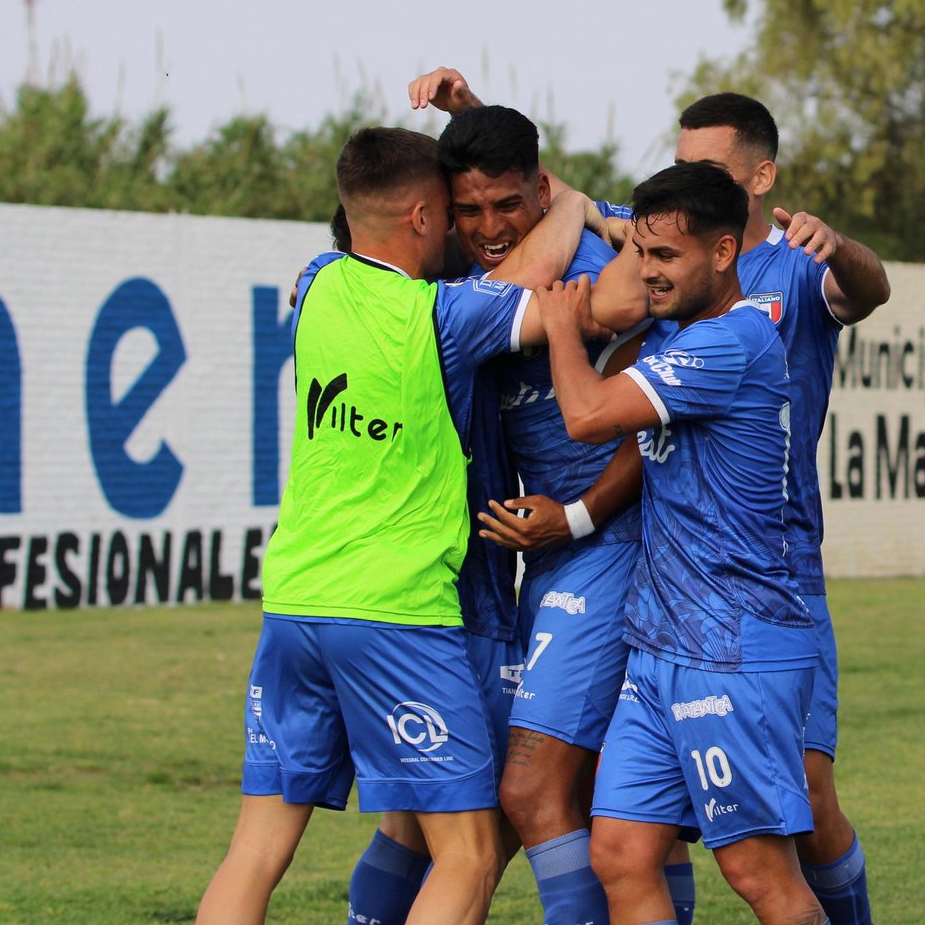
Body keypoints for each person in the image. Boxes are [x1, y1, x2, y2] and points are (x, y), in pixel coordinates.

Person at [196, 126, 610, 925]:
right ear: (425, 217)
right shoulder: (440, 319)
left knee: (255, 849)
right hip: (397, 614)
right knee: (471, 854)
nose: (471, 228)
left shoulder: (316, 283)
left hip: (291, 602)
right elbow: (539, 276)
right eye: (455, 213)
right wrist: (579, 204)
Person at [345, 99, 655, 925]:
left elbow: (654, 413)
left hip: (609, 548)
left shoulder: (599, 266)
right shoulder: (450, 288)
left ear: (541, 194)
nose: (486, 224)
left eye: (507, 206)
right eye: (468, 208)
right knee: (466, 812)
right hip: (509, 569)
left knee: (525, 791)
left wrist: (581, 516)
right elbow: (499, 190)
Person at [536, 160, 829, 925]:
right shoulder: (685, 335)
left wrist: (562, 325)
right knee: (622, 855)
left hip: (732, 652)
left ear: (725, 252)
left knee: (761, 876)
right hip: (660, 649)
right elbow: (580, 208)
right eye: (640, 253)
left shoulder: (731, 343)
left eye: (666, 257)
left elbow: (587, 414)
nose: (648, 274)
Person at [671, 92, 889, 925]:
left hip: (780, 575)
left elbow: (868, 289)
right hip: (672, 575)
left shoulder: (798, 269)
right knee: (641, 816)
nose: (692, 184)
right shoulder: (663, 255)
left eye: (712, 170)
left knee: (806, 789)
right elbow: (564, 203)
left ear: (762, 176)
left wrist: (841, 247)